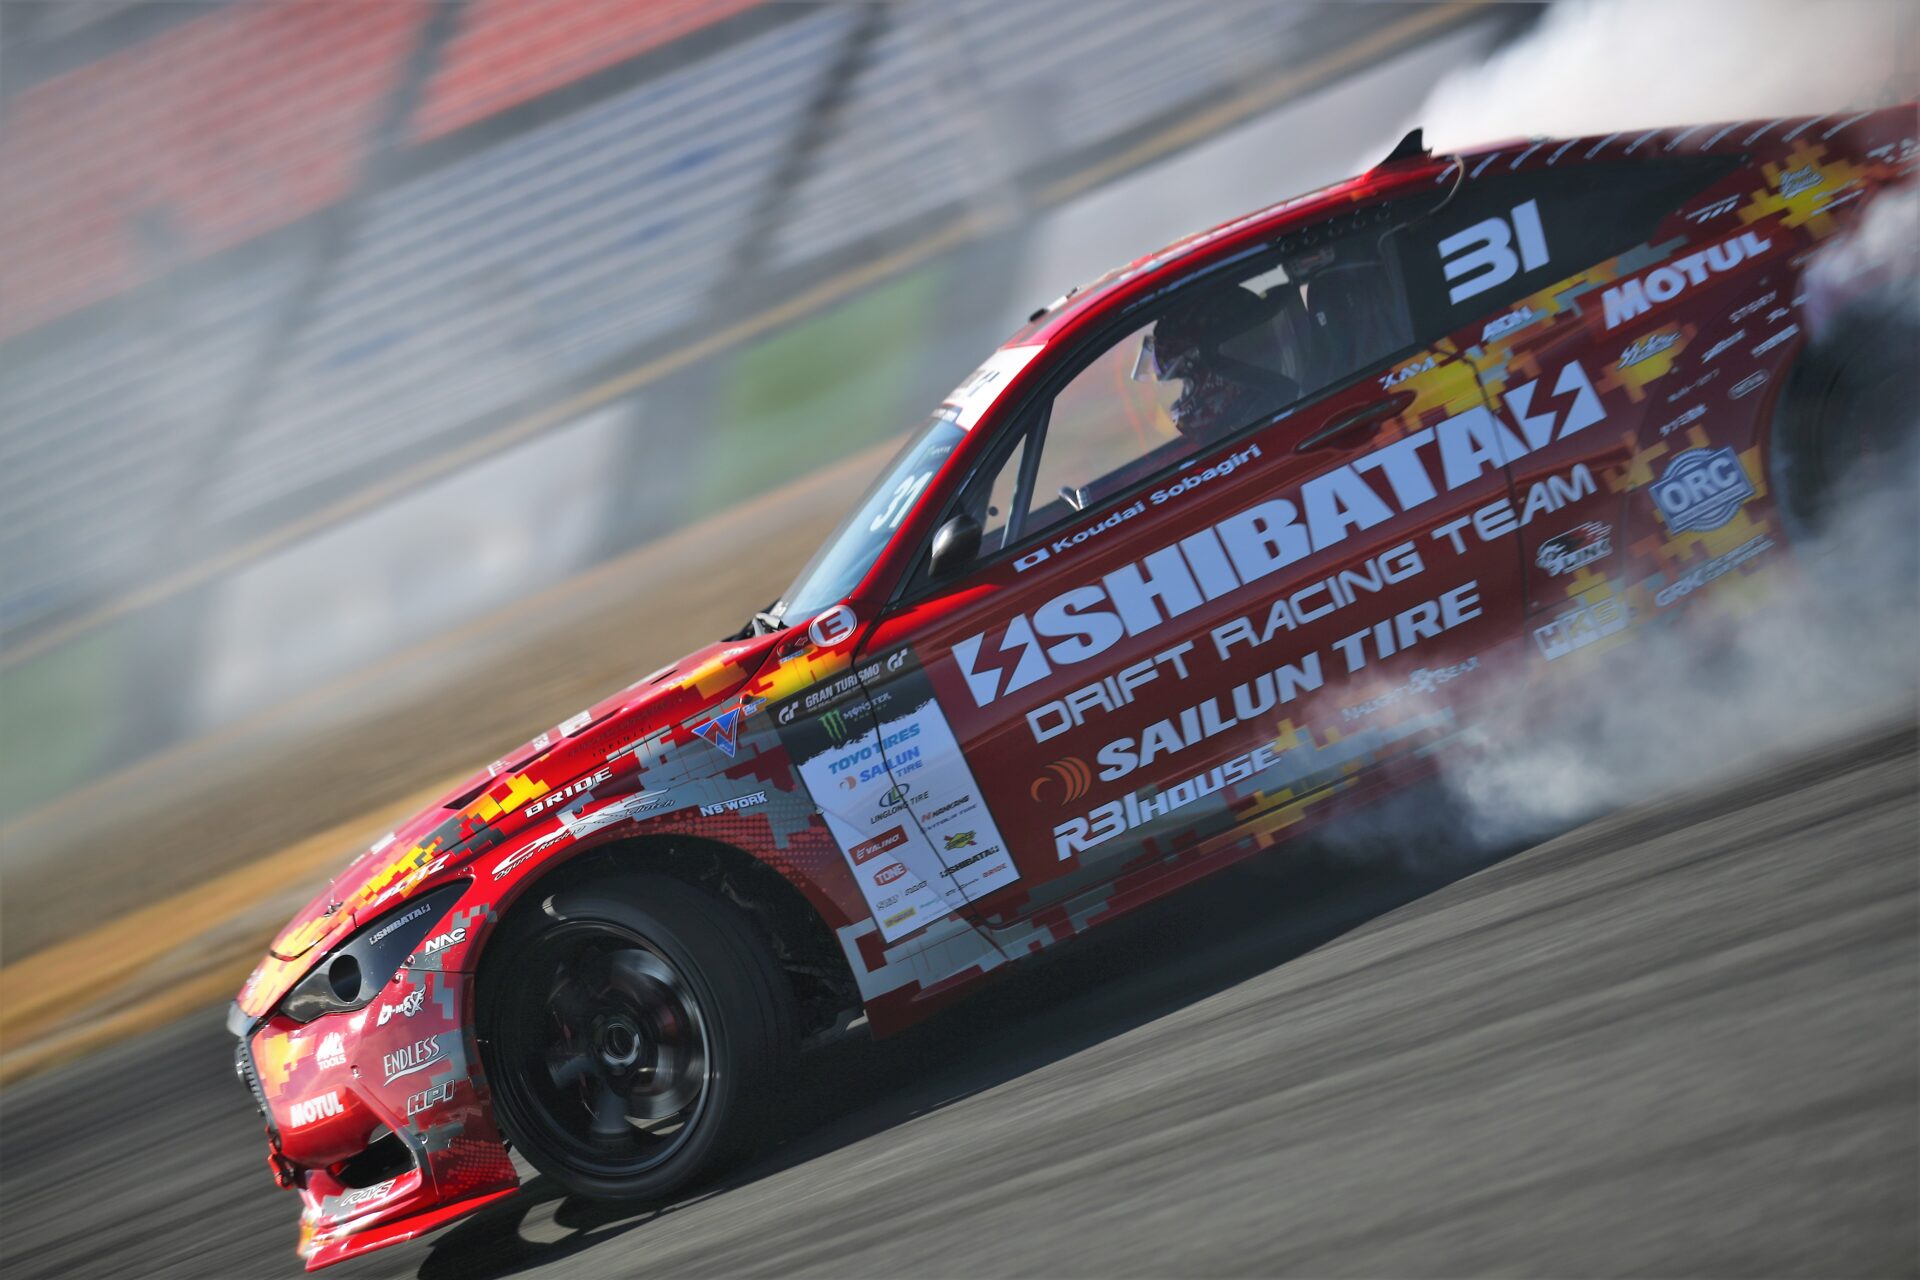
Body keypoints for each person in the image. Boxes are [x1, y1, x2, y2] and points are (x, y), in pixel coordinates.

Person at [1144, 282, 1304, 445]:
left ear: (1213, 358)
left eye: (1186, 383)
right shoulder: (1278, 405)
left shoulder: (1269, 425)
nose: (1183, 395)